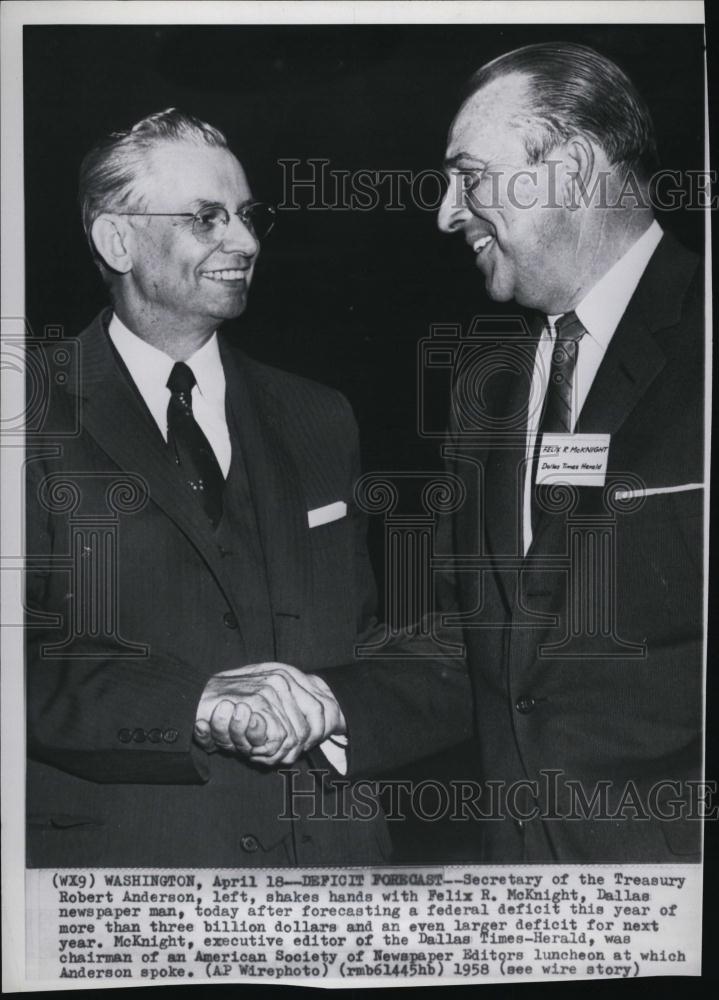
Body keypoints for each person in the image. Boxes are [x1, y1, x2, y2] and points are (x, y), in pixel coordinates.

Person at [208, 43, 705, 863]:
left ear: (573, 169)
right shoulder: (489, 388)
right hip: (518, 892)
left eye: (468, 177)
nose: (445, 213)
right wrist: (324, 702)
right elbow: (474, 641)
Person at [25, 109, 471, 867]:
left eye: (247, 216)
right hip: (136, 877)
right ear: (117, 240)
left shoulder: (318, 416)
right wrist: (191, 704)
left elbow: (366, 636)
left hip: (330, 868)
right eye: (207, 218)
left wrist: (336, 704)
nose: (246, 241)